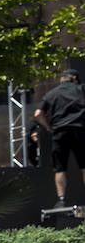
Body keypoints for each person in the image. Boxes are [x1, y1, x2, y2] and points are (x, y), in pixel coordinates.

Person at [32, 67, 85, 207]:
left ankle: (61, 200)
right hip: (79, 129)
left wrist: (48, 127)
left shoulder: (51, 94)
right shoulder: (81, 89)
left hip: (60, 131)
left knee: (60, 167)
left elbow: (37, 114)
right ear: (74, 79)